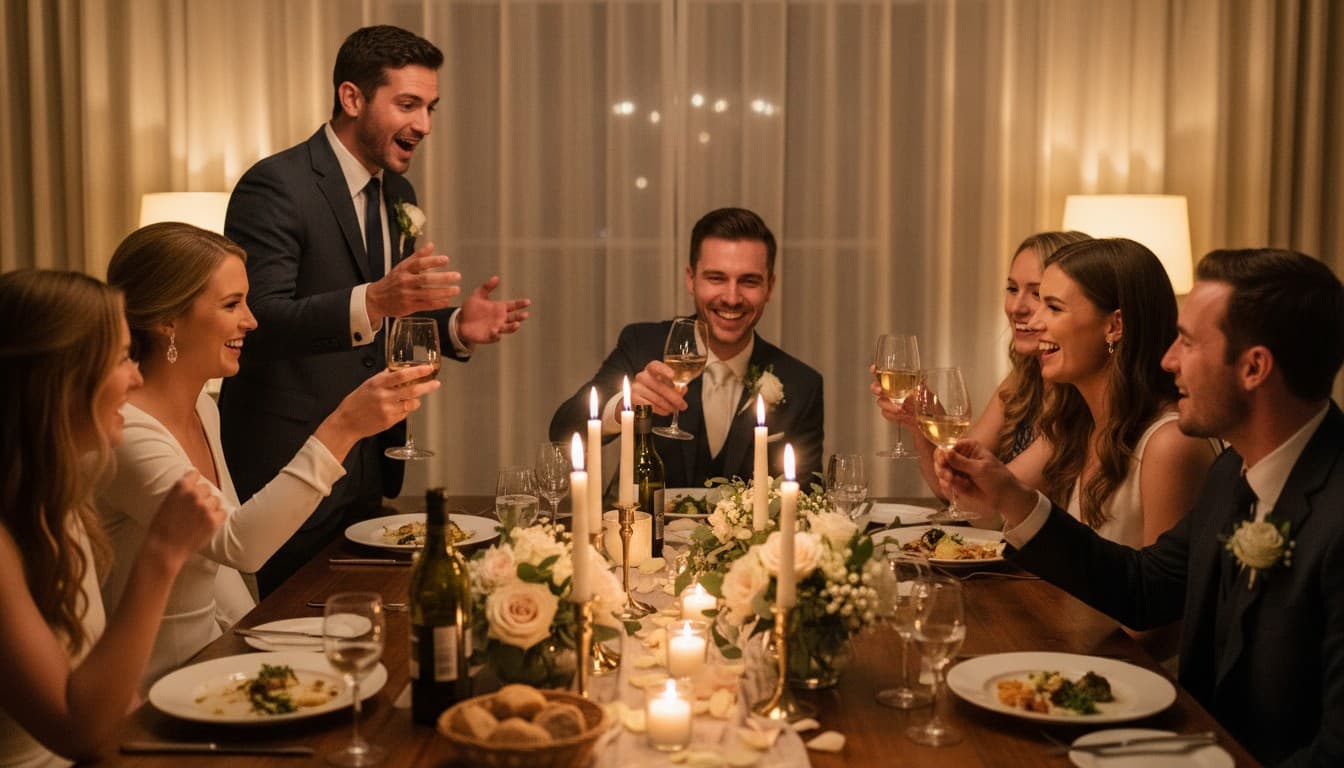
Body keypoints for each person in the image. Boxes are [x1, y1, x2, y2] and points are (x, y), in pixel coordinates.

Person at [936, 248, 1344, 766]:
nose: (1169, 359)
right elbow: (1142, 589)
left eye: (1189, 342)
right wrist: (1013, 498)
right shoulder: (1231, 475)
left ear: (1254, 367)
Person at [218, 25, 530, 594]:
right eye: (408, 104)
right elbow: (259, 318)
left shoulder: (398, 195)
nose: (425, 126)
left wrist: (457, 325)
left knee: (362, 626)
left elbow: (386, 315)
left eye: (431, 107)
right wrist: (378, 299)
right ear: (352, 98)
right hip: (287, 465)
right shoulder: (276, 186)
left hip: (368, 470)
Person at [99, 223, 439, 690]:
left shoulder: (202, 406)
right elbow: (240, 544)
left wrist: (260, 645)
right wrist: (343, 427)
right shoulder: (128, 433)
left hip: (213, 669)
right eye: (231, 304)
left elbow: (221, 570)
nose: (252, 321)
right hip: (146, 693)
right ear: (168, 321)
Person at [0, 270, 224, 767]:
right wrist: (162, 555)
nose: (138, 377)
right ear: (62, 378)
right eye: (123, 357)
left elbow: (108, 692)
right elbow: (76, 731)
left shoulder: (59, 499)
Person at [550, 207, 824, 488]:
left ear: (770, 287)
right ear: (691, 279)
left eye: (749, 281)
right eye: (716, 278)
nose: (731, 298)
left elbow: (806, 498)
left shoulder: (802, 384)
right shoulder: (643, 345)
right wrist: (624, 406)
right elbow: (563, 429)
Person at [873, 231, 1089, 499]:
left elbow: (989, 503)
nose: (1017, 307)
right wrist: (920, 417)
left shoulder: (1078, 401)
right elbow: (951, 490)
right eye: (1012, 289)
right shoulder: (1022, 379)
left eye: (1037, 294)